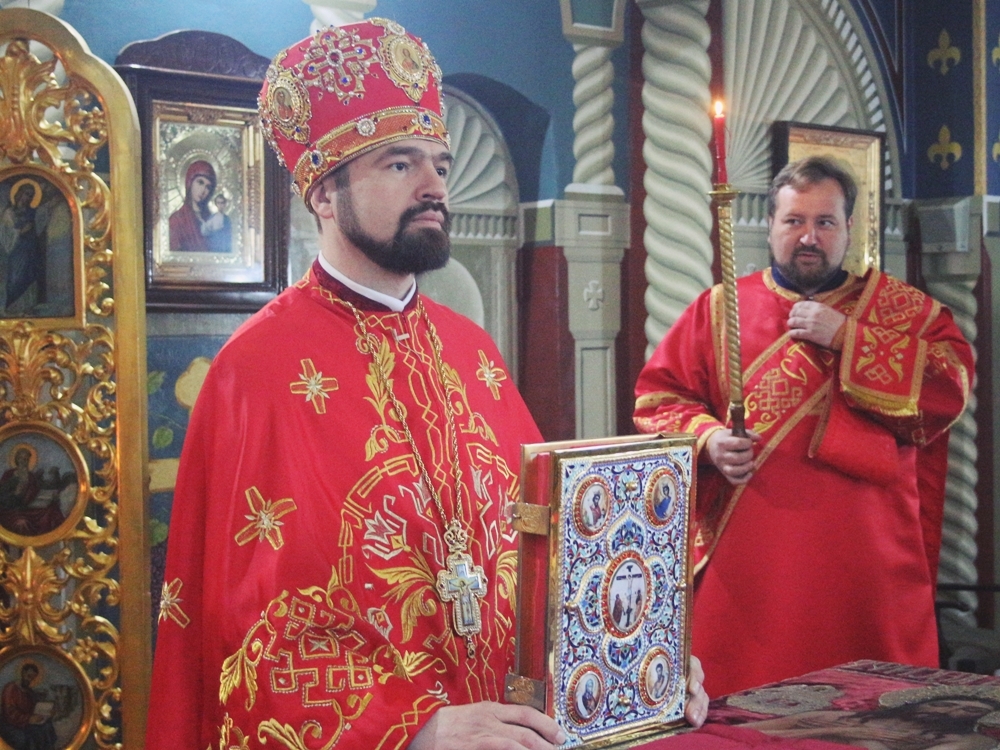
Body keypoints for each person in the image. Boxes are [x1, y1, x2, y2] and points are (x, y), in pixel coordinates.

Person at [145, 19, 708, 750]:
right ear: (325, 193)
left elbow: (549, 555)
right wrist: (416, 729)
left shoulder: (470, 349)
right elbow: (244, 634)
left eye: (439, 164)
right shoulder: (254, 372)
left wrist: (641, 661)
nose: (435, 185)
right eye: (399, 164)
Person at [634, 156, 974, 697]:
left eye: (825, 222)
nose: (809, 237)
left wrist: (847, 336)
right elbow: (659, 398)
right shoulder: (720, 309)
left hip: (868, 567)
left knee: (874, 711)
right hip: (752, 567)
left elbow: (949, 385)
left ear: (849, 228)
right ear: (770, 225)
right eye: (794, 221)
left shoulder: (899, 311)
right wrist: (709, 439)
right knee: (737, 709)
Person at [0, 662, 57, 750]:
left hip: (27, 723)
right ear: (23, 673)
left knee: (47, 727)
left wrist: (48, 713)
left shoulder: (29, 691)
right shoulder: (11, 688)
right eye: (29, 676)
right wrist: (28, 719)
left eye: (32, 678)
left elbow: (36, 708)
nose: (30, 680)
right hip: (11, 724)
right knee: (25, 738)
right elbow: (10, 712)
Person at [168, 160, 216, 252]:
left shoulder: (211, 219)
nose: (203, 190)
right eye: (200, 182)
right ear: (190, 182)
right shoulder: (176, 220)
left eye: (208, 187)